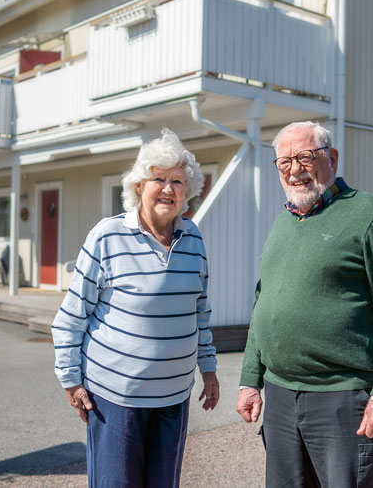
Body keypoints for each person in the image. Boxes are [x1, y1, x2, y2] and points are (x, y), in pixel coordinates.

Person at [236, 121, 373, 488]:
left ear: (332, 158)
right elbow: (263, 304)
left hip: (342, 398)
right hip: (282, 399)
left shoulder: (369, 215)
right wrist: (249, 380)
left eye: (305, 157)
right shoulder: (282, 224)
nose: (294, 170)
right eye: (284, 162)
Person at [52, 129, 219, 488]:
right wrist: (71, 380)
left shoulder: (193, 238)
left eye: (177, 180)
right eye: (158, 178)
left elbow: (199, 311)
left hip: (174, 396)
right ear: (139, 186)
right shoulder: (107, 235)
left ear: (187, 191)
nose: (168, 188)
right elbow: (71, 316)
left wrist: (208, 368)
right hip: (116, 398)